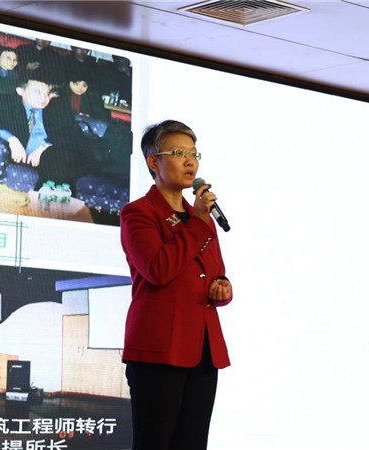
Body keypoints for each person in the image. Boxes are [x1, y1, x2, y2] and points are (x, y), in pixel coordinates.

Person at [120, 120, 233, 450]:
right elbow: (158, 269)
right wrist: (198, 222)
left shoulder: (200, 217)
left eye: (194, 154)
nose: (190, 161)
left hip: (203, 349)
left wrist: (223, 288)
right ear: (153, 162)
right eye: (179, 153)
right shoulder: (138, 213)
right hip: (160, 349)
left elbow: (215, 273)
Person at [0, 70, 92, 190]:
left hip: (48, 157)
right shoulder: (6, 102)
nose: (44, 98)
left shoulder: (55, 109)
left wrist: (44, 146)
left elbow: (70, 135)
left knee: (59, 160)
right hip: (18, 155)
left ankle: (46, 198)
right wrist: (11, 139)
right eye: (38, 92)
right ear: (20, 91)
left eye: (47, 94)